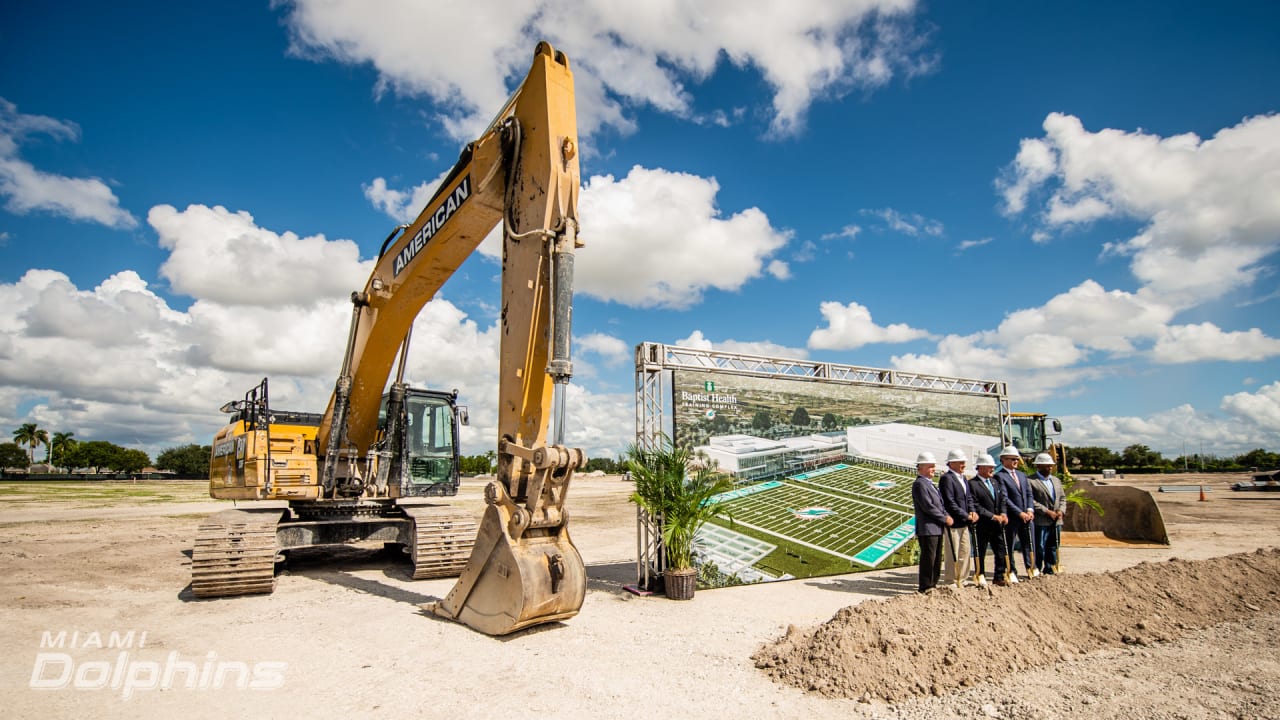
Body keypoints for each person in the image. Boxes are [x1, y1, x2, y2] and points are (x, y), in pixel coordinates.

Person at [911, 451, 951, 593]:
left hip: (936, 528)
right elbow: (928, 507)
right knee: (929, 558)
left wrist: (945, 515)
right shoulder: (920, 484)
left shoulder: (929, 484)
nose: (934, 469)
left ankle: (933, 584)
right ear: (921, 468)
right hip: (928, 528)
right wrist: (944, 518)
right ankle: (926, 586)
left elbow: (940, 505)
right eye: (930, 466)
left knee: (935, 559)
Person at [938, 449, 978, 587]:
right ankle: (951, 580)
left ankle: (963, 578)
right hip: (953, 524)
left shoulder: (964, 478)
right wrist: (965, 515)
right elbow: (949, 502)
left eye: (964, 462)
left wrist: (972, 511)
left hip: (964, 522)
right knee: (952, 553)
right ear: (952, 463)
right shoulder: (946, 479)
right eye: (961, 462)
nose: (963, 465)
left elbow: (969, 498)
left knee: (965, 552)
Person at [996, 445, 1035, 581]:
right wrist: (1019, 513)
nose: (1015, 462)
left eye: (1017, 459)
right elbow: (1005, 498)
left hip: (1027, 517)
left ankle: (1031, 568)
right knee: (1010, 545)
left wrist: (1029, 510)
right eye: (1012, 459)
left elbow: (1029, 494)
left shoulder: (1021, 475)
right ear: (1003, 460)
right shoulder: (1000, 476)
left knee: (1029, 543)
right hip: (1012, 517)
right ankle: (1011, 570)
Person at [969, 453, 1009, 586]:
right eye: (989, 467)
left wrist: (1003, 513)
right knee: (980, 551)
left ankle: (999, 576)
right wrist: (992, 516)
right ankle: (980, 575)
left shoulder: (994, 482)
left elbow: (1002, 499)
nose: (992, 469)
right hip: (982, 525)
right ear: (980, 468)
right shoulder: (973, 484)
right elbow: (976, 505)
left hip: (998, 525)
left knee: (1000, 550)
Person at [1030, 453, 1067, 575]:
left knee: (1053, 546)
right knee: (1039, 546)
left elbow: (1062, 498)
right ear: (1039, 466)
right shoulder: (1031, 481)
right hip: (1041, 520)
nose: (1050, 468)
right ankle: (1037, 568)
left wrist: (1061, 510)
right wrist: (1046, 511)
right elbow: (1031, 501)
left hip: (1056, 520)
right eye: (1047, 466)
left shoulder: (1056, 480)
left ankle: (1050, 568)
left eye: (1051, 466)